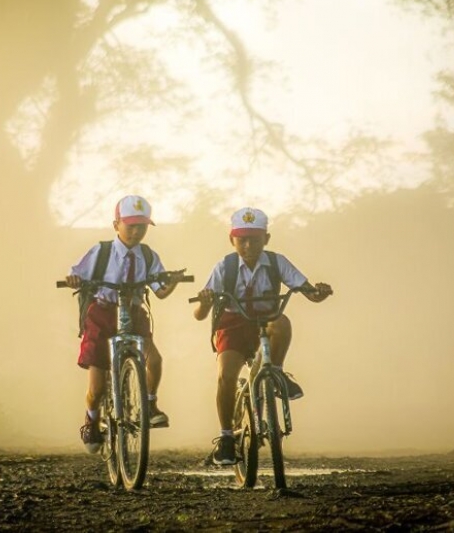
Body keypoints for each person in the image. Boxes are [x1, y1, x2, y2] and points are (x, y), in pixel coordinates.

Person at [193, 207, 333, 465]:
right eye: (242, 239)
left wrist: (319, 293)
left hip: (265, 322)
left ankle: (275, 371)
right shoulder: (225, 266)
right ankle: (226, 437)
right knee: (226, 376)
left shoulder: (277, 262)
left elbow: (308, 291)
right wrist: (204, 302)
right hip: (232, 326)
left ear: (266, 239)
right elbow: (199, 315)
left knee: (282, 322)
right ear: (232, 240)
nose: (248, 245)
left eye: (255, 239)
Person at [64, 195, 183, 454]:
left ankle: (150, 404)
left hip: (134, 312)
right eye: (130, 225)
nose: (136, 232)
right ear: (116, 224)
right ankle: (92, 419)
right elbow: (77, 274)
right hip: (102, 313)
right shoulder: (102, 251)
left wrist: (172, 281)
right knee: (96, 387)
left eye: (142, 226)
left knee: (155, 360)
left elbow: (160, 291)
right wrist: (74, 280)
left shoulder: (148, 256)